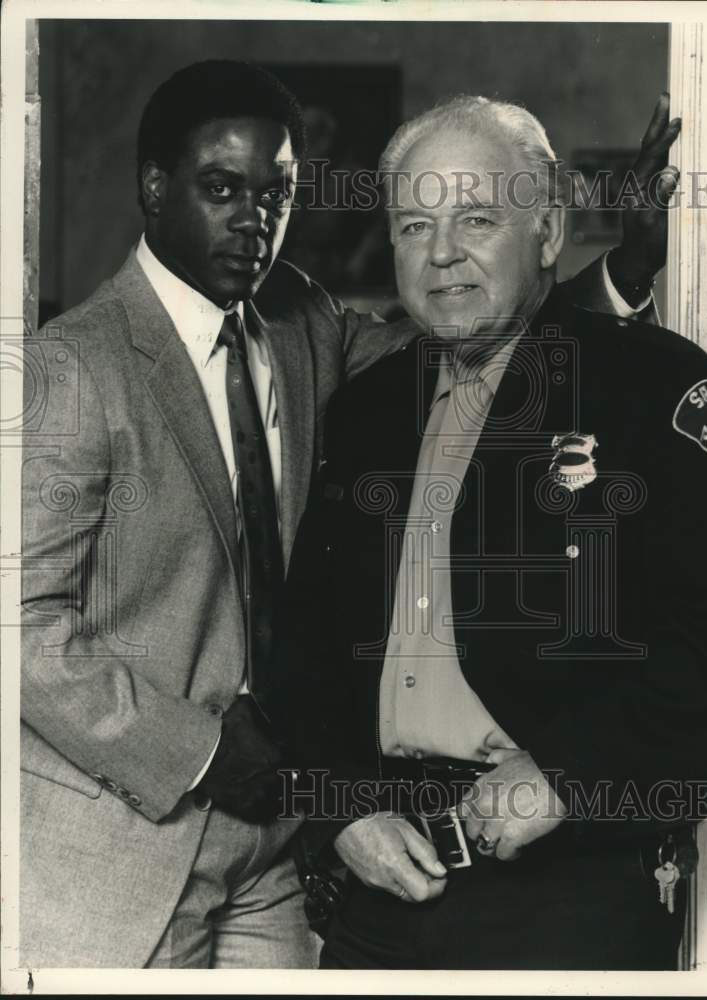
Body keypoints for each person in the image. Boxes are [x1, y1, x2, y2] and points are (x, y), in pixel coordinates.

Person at [20, 59, 673, 968]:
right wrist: (203, 753)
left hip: (279, 849)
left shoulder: (300, 322)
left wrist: (623, 272)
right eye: (220, 188)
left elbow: (471, 322)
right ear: (153, 189)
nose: (254, 220)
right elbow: (18, 625)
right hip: (124, 840)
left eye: (276, 193)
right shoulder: (69, 368)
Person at [280, 95, 707, 970]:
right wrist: (341, 810)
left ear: (549, 231)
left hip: (571, 889)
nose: (441, 254)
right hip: (382, 880)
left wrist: (569, 774)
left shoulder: (652, 386)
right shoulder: (368, 410)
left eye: (476, 218)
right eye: (414, 225)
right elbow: (307, 646)